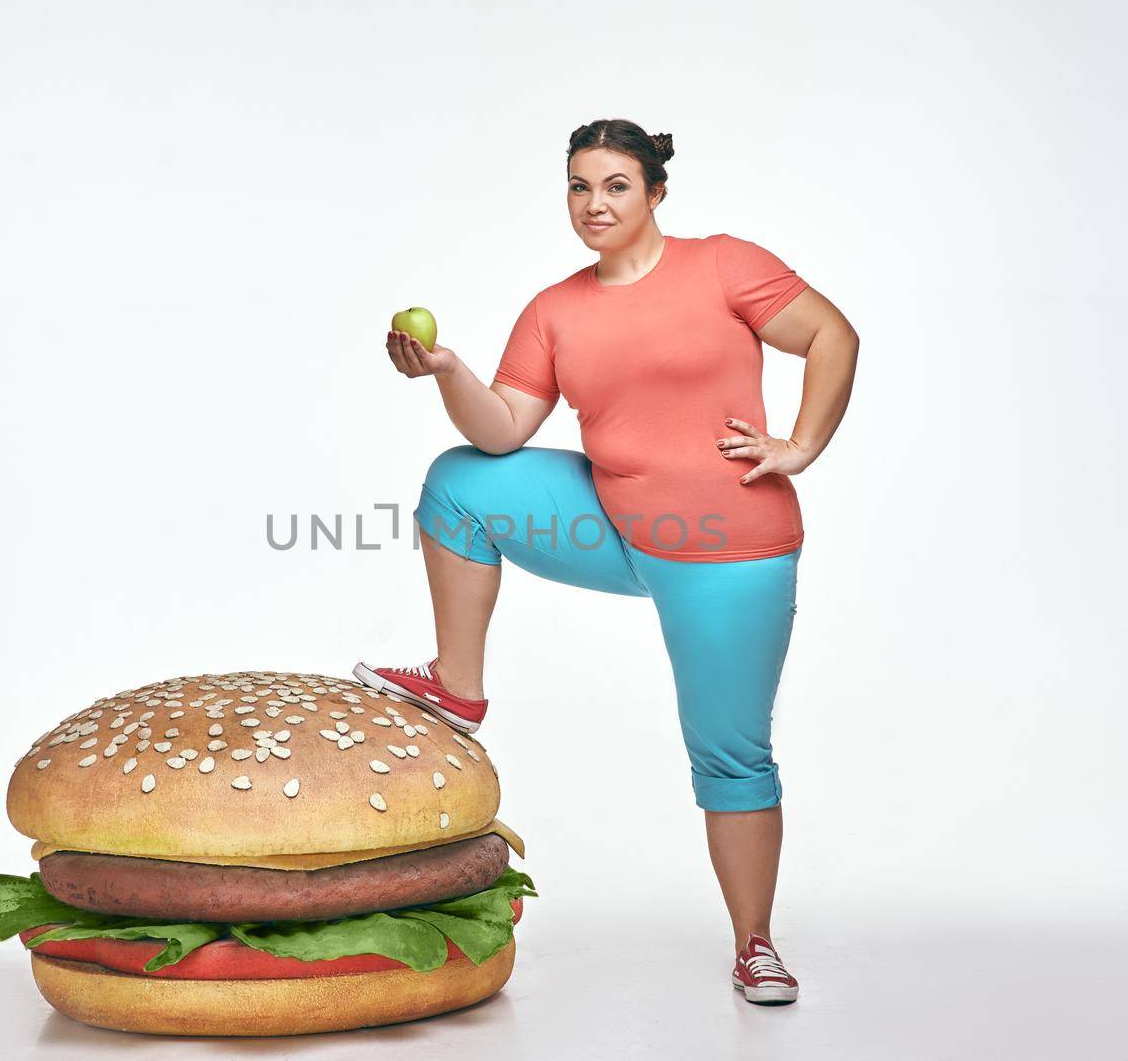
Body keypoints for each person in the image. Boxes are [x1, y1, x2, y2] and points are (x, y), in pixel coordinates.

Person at [353, 119, 859, 1006]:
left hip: (726, 552)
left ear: (656, 193)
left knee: (731, 758)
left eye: (617, 186)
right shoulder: (556, 308)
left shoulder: (724, 265)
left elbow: (832, 336)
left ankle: (755, 946)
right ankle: (458, 681)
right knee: (460, 482)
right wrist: (446, 370)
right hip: (612, 525)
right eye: (581, 186)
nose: (596, 204)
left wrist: (802, 444)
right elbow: (504, 429)